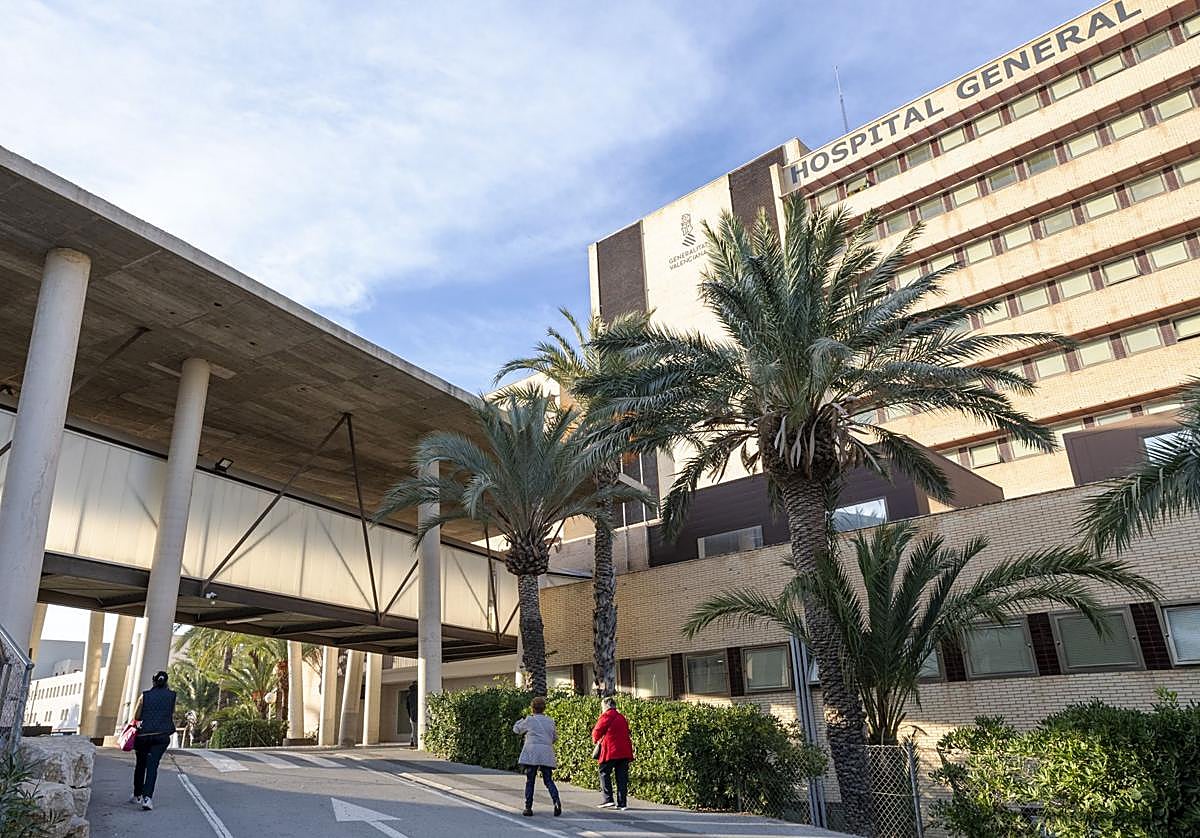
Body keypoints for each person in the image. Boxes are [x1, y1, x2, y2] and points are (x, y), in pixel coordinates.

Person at [130, 670, 177, 811]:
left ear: (154, 681)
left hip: (144, 736)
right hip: (162, 736)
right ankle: (147, 798)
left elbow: (136, 716)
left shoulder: (145, 696)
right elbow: (171, 712)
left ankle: (137, 795)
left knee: (140, 765)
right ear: (166, 682)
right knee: (152, 765)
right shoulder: (172, 696)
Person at [512, 696, 561, 818]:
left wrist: (519, 721)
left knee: (530, 780)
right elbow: (554, 738)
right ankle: (556, 801)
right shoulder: (550, 721)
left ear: (532, 708)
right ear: (544, 708)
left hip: (532, 753)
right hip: (546, 753)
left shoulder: (529, 720)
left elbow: (516, 730)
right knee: (548, 780)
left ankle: (528, 807)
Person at [592, 696, 633, 810]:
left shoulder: (606, 716)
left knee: (604, 772)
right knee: (621, 777)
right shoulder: (622, 717)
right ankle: (622, 803)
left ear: (606, 706)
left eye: (602, 707)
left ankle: (608, 799)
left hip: (610, 750)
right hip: (624, 751)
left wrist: (595, 741)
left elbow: (596, 731)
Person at [405, 682, 418, 746]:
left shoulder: (409, 694)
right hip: (418, 714)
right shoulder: (419, 692)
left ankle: (413, 741)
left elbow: (407, 706)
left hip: (412, 714)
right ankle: (415, 743)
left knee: (414, 729)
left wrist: (409, 715)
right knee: (415, 730)